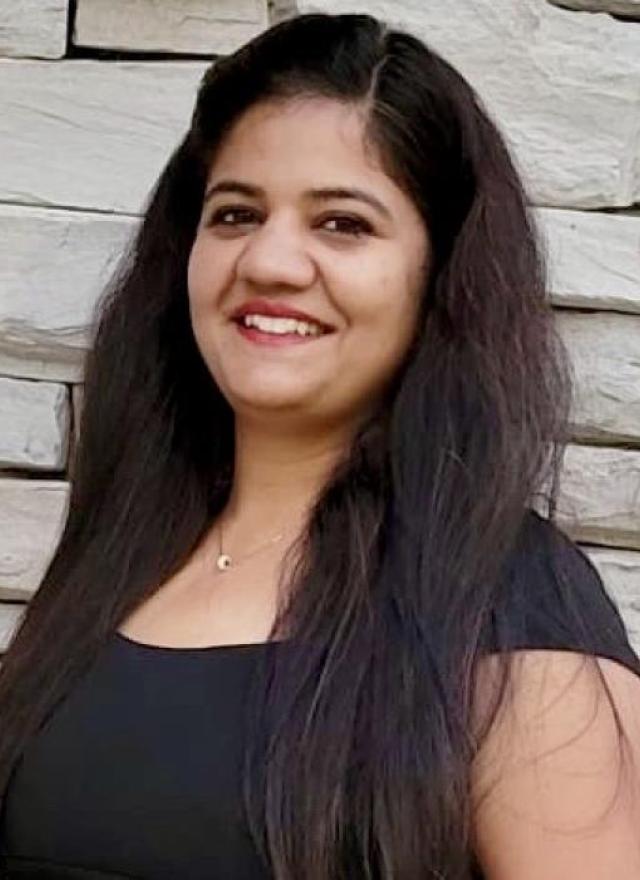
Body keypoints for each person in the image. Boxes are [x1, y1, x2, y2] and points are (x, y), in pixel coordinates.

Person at [0, 11, 639, 879]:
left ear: (438, 279)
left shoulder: (506, 601)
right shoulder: (121, 559)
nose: (270, 261)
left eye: (343, 224)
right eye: (234, 214)